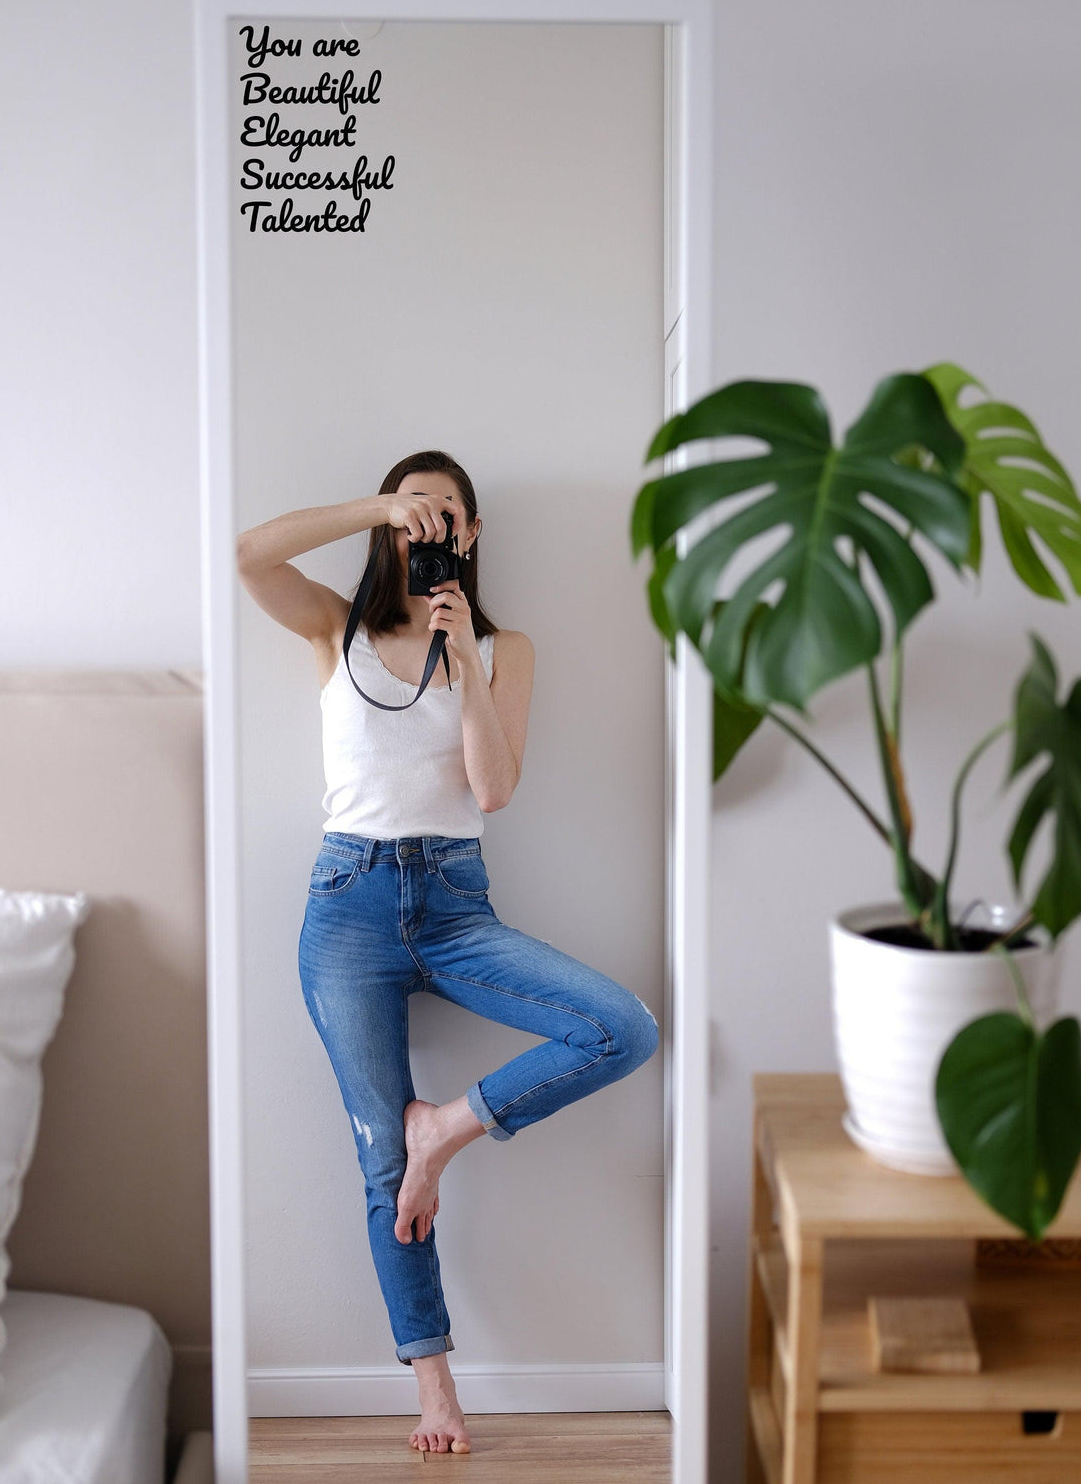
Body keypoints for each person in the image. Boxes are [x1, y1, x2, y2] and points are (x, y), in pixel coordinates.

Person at [236, 448, 660, 1457]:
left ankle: (450, 1132)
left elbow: (493, 789)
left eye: (447, 515)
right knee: (379, 1157)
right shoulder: (331, 628)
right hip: (345, 904)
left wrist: (464, 656)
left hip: (457, 907)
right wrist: (376, 504)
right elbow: (249, 556)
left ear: (471, 536)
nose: (431, 528)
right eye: (415, 514)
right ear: (393, 528)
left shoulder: (505, 644)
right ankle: (434, 1386)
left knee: (621, 1026)